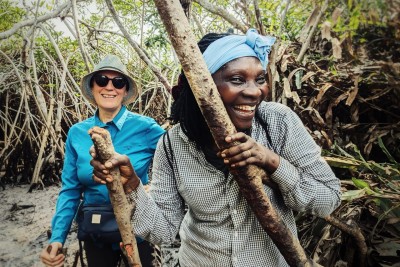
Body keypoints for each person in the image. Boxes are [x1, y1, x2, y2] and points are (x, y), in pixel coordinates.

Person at [91, 30, 341, 266]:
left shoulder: (278, 122)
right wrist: (132, 185)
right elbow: (164, 230)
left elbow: (328, 199)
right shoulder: (173, 143)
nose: (254, 92)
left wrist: (272, 163)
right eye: (237, 79)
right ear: (202, 87)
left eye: (260, 79)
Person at [40, 54, 165, 267]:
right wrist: (57, 238)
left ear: (125, 90)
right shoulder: (77, 133)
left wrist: (152, 188)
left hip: (139, 230)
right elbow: (70, 190)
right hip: (96, 232)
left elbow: (179, 159)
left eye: (118, 82)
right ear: (93, 86)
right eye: (102, 80)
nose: (109, 87)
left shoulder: (146, 128)